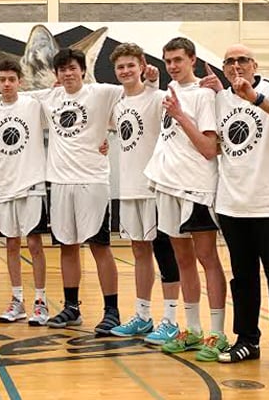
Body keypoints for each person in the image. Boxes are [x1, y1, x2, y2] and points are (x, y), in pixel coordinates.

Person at [202, 44, 269, 372]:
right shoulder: (219, 100)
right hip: (233, 205)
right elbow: (214, 144)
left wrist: (254, 99)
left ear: (254, 64)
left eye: (241, 60)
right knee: (243, 279)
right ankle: (247, 340)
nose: (235, 65)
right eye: (229, 61)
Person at [144, 37, 229, 360]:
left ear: (192, 59)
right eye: (168, 61)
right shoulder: (170, 93)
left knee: (207, 258)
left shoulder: (204, 95)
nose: (173, 66)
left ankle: (217, 332)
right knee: (182, 261)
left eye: (178, 59)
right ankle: (192, 328)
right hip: (167, 186)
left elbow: (209, 149)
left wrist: (180, 115)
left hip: (195, 187)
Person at [33, 48, 125, 334]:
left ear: (83, 70)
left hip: (92, 181)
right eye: (62, 69)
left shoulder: (102, 93)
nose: (68, 73)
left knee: (100, 247)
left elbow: (135, 94)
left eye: (72, 68)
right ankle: (71, 307)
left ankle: (112, 311)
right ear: (56, 74)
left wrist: (152, 80)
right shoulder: (49, 98)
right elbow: (10, 99)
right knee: (67, 246)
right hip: (60, 183)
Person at [103, 44, 182, 345]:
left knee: (165, 253)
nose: (125, 71)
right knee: (139, 253)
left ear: (142, 66)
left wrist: (154, 82)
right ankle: (143, 316)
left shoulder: (159, 98)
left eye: (130, 66)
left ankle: (171, 320)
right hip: (129, 187)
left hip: (155, 187)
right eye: (120, 67)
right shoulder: (118, 104)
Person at [0, 60, 50, 325]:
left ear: (20, 82)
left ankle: (40, 302)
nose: (7, 84)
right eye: (2, 79)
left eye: (11, 79)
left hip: (31, 185)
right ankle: (17, 300)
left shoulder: (32, 105)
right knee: (11, 244)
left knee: (34, 244)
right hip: (4, 187)